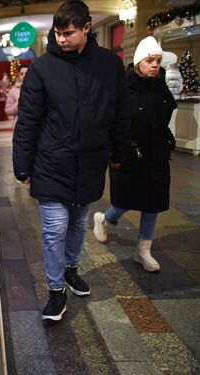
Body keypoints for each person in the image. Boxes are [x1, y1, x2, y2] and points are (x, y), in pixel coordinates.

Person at [12, 0, 130, 322]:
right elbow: (28, 120)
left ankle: (70, 269)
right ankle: (55, 291)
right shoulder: (42, 68)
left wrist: (120, 153)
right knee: (54, 229)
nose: (60, 39)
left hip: (90, 162)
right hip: (51, 163)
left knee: (79, 223)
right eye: (57, 33)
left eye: (68, 33)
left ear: (87, 28)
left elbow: (120, 115)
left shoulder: (109, 65)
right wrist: (22, 165)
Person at [93, 36, 177, 273]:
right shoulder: (124, 87)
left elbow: (164, 116)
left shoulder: (160, 86)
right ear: (139, 61)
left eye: (158, 61)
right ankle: (105, 219)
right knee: (126, 200)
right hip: (129, 152)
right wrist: (116, 151)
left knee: (153, 203)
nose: (154, 65)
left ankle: (143, 251)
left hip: (156, 154)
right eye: (150, 60)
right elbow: (114, 122)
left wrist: (166, 141)